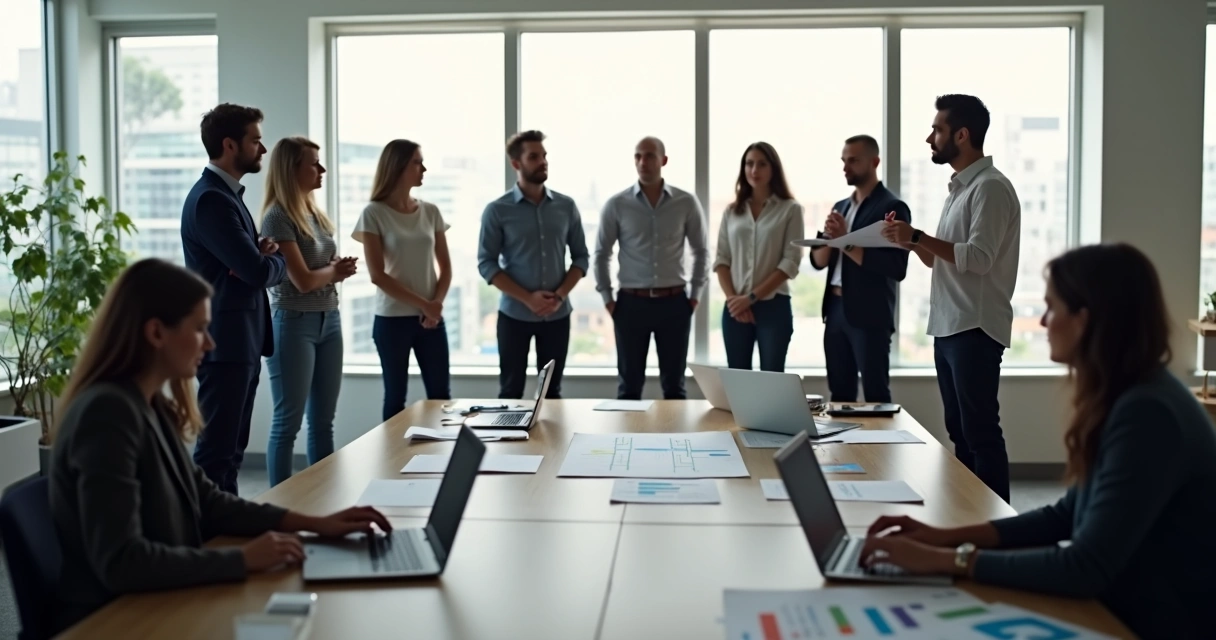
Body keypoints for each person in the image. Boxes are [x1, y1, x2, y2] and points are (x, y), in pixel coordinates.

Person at [859, 243, 1216, 640]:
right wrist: (940, 537)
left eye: (1052, 307)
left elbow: (1084, 567)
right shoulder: (1132, 394)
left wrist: (947, 560)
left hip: (1157, 622)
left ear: (1086, 319)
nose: (1044, 322)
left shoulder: (1148, 413)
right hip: (1130, 605)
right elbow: (1065, 515)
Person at [48, 258, 392, 635]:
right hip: (118, 619)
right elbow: (122, 562)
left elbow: (206, 501)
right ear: (156, 333)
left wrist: (314, 524)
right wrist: (242, 559)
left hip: (162, 599)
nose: (210, 343)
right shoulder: (107, 413)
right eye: (200, 329)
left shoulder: (148, 404)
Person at [881, 94, 1020, 502]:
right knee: (961, 431)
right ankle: (969, 516)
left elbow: (977, 259)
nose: (930, 138)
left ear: (962, 134)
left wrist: (920, 237)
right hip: (951, 325)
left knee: (980, 433)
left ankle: (996, 528)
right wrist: (910, 242)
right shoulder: (960, 190)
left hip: (975, 326)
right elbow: (943, 262)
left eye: (937, 129)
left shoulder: (990, 189)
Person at [181, 103, 285, 495]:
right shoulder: (212, 200)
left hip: (241, 339)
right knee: (217, 454)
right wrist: (274, 259)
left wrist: (258, 256)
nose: (263, 149)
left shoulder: (228, 196)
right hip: (225, 342)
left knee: (231, 452)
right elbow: (259, 272)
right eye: (255, 140)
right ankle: (202, 541)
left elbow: (250, 265)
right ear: (229, 145)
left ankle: (227, 534)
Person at [260, 137, 357, 487]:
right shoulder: (277, 217)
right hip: (293, 324)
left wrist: (333, 267)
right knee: (288, 422)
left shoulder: (314, 213)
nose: (322, 170)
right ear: (291, 169)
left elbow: (314, 269)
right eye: (314, 163)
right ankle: (278, 504)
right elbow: (301, 280)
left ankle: (324, 498)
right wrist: (335, 272)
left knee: (322, 423)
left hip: (329, 320)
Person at [593, 137, 708, 400]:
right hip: (631, 305)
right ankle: (627, 442)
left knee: (675, 388)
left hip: (675, 303)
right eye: (638, 156)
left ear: (663, 160)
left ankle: (677, 441)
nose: (642, 162)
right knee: (629, 387)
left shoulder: (685, 202)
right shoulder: (617, 204)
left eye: (649, 156)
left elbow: (701, 251)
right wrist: (609, 301)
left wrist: (694, 297)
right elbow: (601, 254)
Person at [478, 130, 589, 399]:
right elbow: (486, 263)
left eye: (544, 156)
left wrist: (559, 296)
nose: (543, 161)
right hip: (514, 316)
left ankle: (552, 444)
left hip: (557, 315)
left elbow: (581, 258)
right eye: (534, 156)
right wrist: (528, 299)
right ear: (516, 164)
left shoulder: (566, 206)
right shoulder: (497, 210)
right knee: (510, 391)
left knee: (552, 394)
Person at [352, 139, 453, 421]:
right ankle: (392, 463)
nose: (424, 168)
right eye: (417, 162)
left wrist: (435, 306)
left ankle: (447, 461)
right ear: (398, 166)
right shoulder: (373, 213)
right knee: (395, 398)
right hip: (392, 320)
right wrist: (425, 305)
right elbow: (377, 275)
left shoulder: (430, 211)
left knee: (441, 397)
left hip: (431, 319)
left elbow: (445, 267)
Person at [809, 135, 911, 403]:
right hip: (835, 310)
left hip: (871, 315)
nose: (846, 167)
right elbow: (817, 262)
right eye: (844, 161)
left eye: (853, 160)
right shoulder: (840, 207)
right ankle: (843, 446)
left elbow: (896, 267)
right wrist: (831, 241)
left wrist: (846, 240)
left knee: (877, 394)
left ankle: (881, 446)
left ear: (875, 161)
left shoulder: (892, 207)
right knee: (839, 395)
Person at [713, 142, 804, 372]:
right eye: (749, 164)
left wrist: (750, 298)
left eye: (762, 164)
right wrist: (736, 301)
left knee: (771, 381)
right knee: (738, 381)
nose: (754, 170)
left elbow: (790, 263)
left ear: (773, 168)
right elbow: (721, 260)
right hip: (735, 308)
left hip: (774, 307)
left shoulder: (790, 209)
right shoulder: (732, 211)